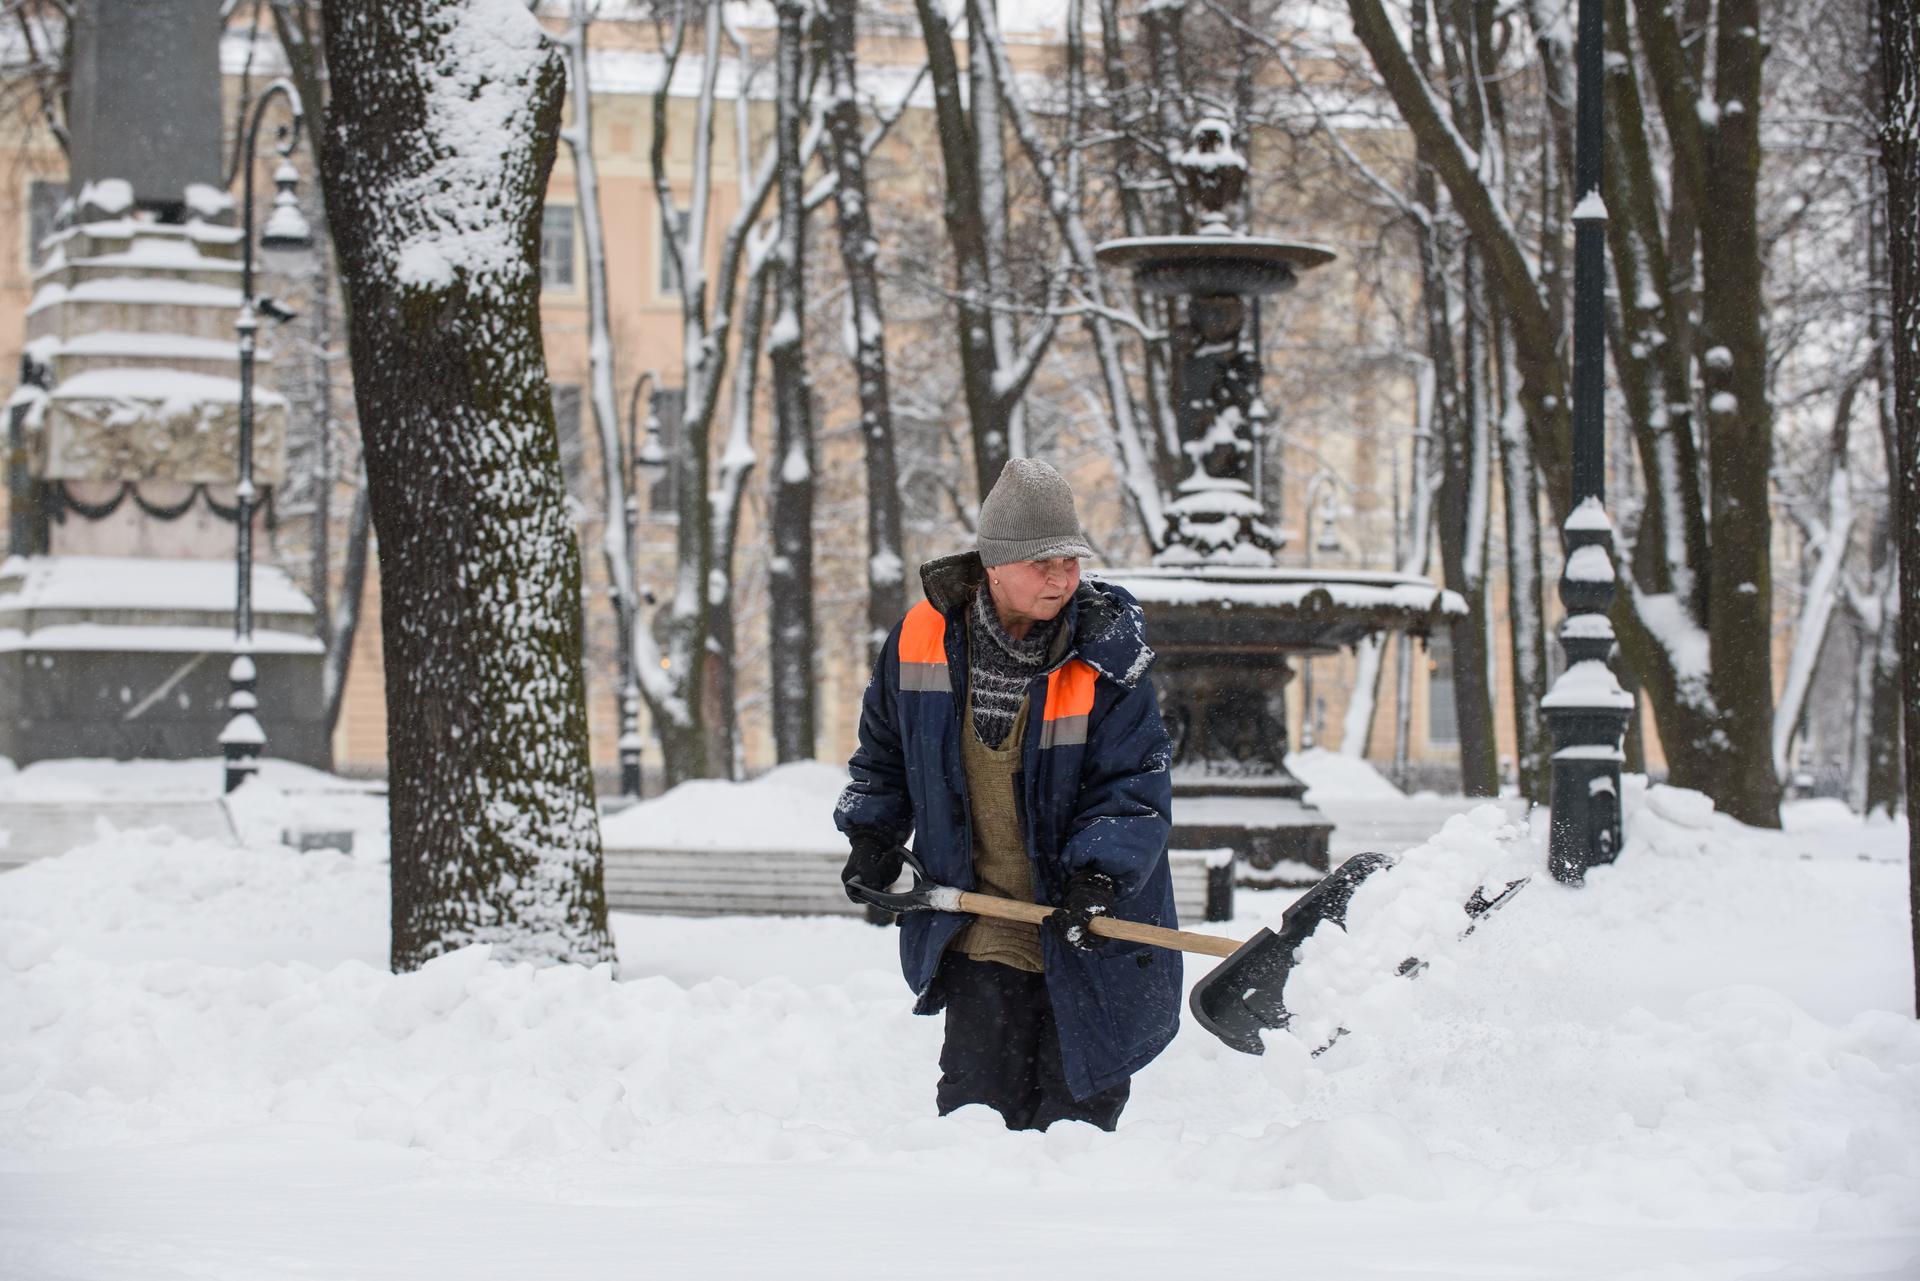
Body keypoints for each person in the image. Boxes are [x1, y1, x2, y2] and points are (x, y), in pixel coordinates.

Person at [834, 457, 1180, 1132]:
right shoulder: (918, 638)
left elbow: (1133, 786)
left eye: (1070, 560)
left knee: (1073, 1134)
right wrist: (871, 836)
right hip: (981, 927)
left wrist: (1099, 875)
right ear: (994, 562)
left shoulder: (1109, 656)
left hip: (1088, 932)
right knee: (973, 1126)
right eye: (1042, 562)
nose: (1061, 576)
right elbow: (884, 754)